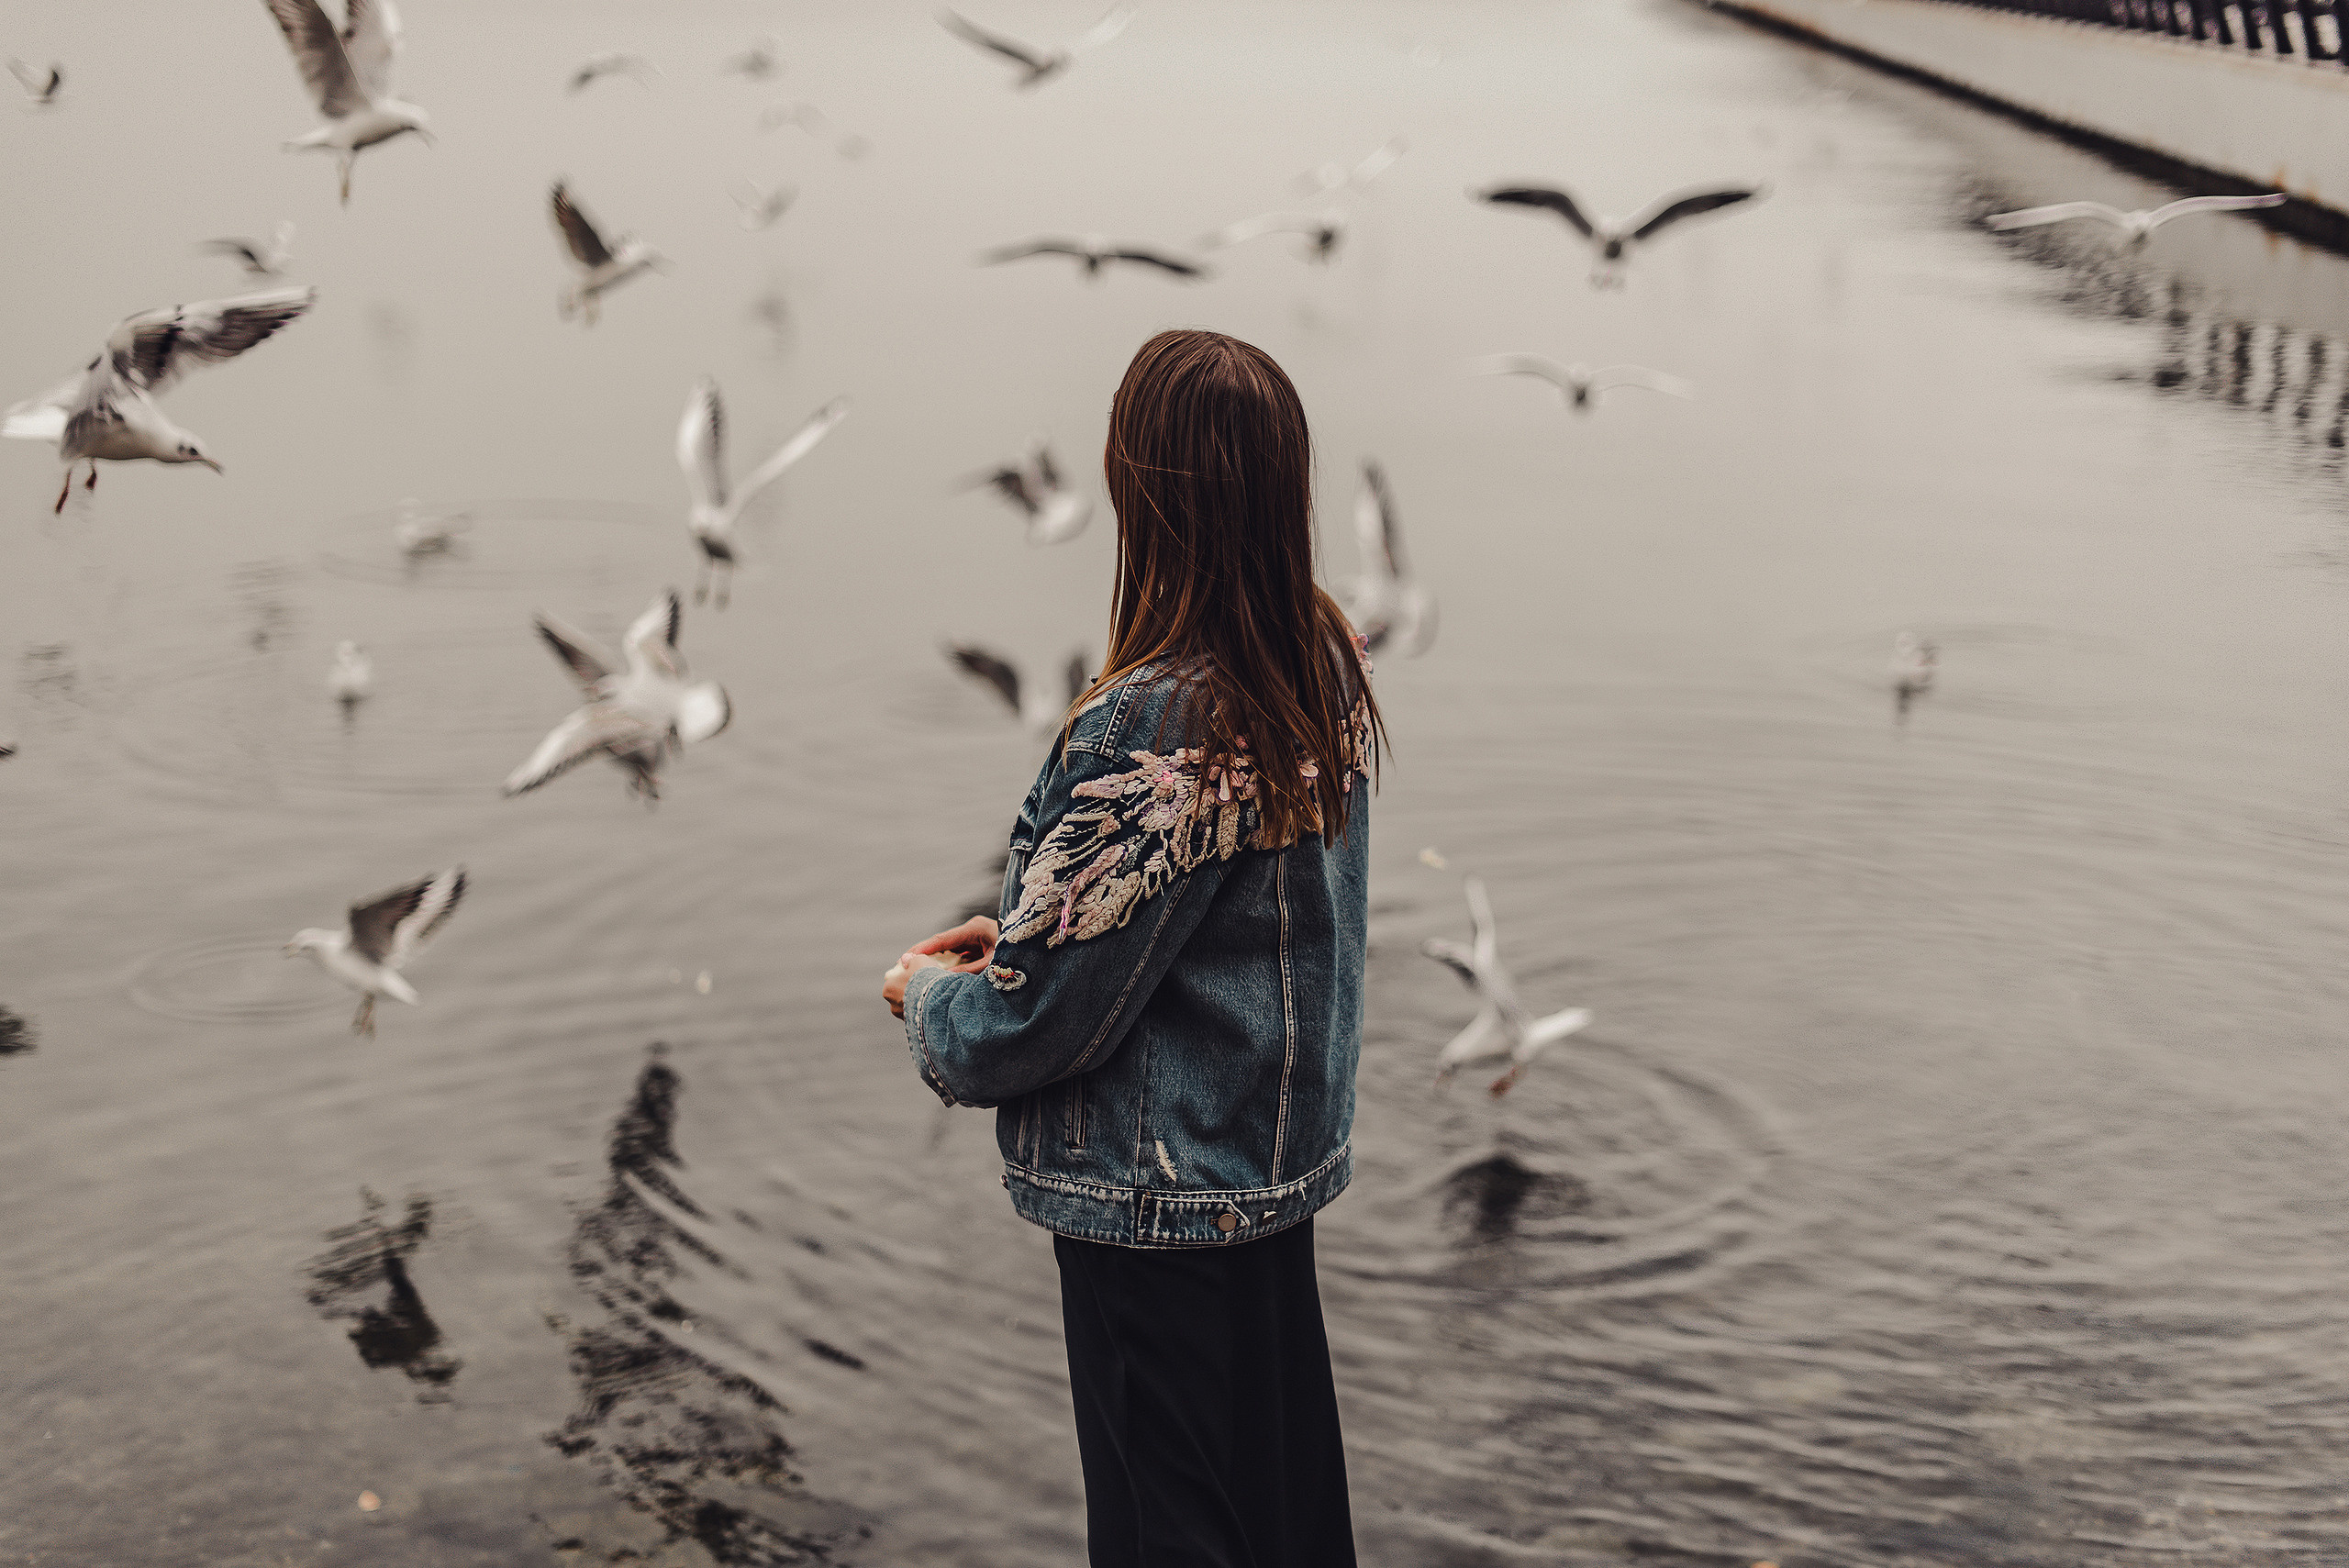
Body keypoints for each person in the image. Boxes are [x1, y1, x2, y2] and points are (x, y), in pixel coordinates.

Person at [882, 328, 1383, 1567]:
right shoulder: (1317, 664)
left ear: (1139, 487)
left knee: (1170, 1533)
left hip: (1158, 1210)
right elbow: (1228, 913)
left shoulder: (1152, 721)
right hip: (1265, 1184)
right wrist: (1047, 924)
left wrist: (929, 997)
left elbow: (1035, 1025)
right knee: (1282, 1521)